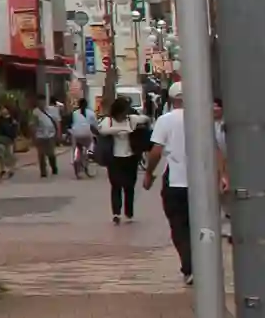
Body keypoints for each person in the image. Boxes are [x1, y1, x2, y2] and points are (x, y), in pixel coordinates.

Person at [143, 82, 225, 284]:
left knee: (179, 226)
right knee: (201, 224)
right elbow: (216, 150)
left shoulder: (165, 120)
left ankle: (189, 267)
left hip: (175, 182)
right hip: (202, 181)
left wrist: (148, 174)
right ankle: (204, 265)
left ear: (171, 100)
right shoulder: (202, 119)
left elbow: (156, 151)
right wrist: (223, 176)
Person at [97, 95, 147, 224]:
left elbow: (145, 119)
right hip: (114, 158)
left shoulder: (131, 119)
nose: (125, 114)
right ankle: (116, 213)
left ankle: (129, 213)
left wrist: (137, 125)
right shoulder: (108, 121)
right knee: (116, 185)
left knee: (129, 186)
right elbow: (102, 131)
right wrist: (122, 129)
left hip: (130, 157)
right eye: (123, 111)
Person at [30, 99, 60, 178]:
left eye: (43, 102)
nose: (41, 103)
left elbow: (56, 122)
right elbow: (33, 124)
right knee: (41, 154)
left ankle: (54, 167)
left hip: (50, 135)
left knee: (51, 153)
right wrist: (34, 136)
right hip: (40, 136)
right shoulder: (35, 112)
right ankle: (43, 172)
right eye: (40, 102)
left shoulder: (51, 110)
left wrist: (58, 134)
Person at [69, 100, 96, 179]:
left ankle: (77, 168)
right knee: (89, 148)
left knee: (77, 150)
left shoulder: (74, 113)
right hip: (87, 134)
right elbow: (95, 125)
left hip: (76, 134)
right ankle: (86, 160)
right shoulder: (91, 113)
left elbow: (71, 124)